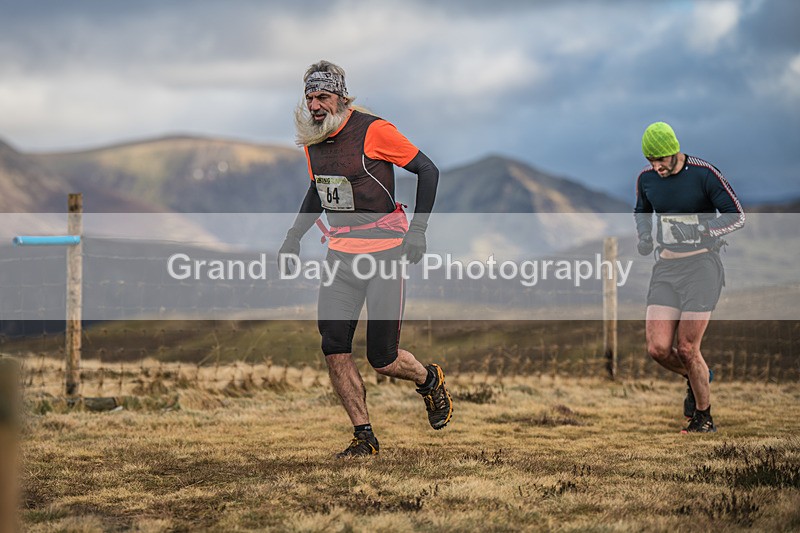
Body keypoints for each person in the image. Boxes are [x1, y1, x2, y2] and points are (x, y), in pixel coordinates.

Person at [278, 60, 453, 457]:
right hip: (341, 255)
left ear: (342, 97)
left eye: (323, 96)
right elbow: (318, 190)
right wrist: (293, 237)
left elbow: (428, 170)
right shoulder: (313, 139)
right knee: (333, 345)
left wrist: (418, 230)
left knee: (383, 359)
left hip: (383, 253)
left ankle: (429, 380)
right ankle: (364, 436)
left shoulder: (374, 131)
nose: (314, 105)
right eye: (309, 97)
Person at [634, 122, 745, 433]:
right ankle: (695, 376)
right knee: (658, 348)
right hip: (666, 269)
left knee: (686, 348)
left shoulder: (704, 173)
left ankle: (703, 418)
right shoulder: (646, 179)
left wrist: (702, 229)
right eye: (650, 160)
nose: (656, 167)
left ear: (674, 151)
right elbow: (641, 210)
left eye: (660, 160)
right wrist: (644, 236)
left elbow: (737, 216)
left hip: (701, 268)